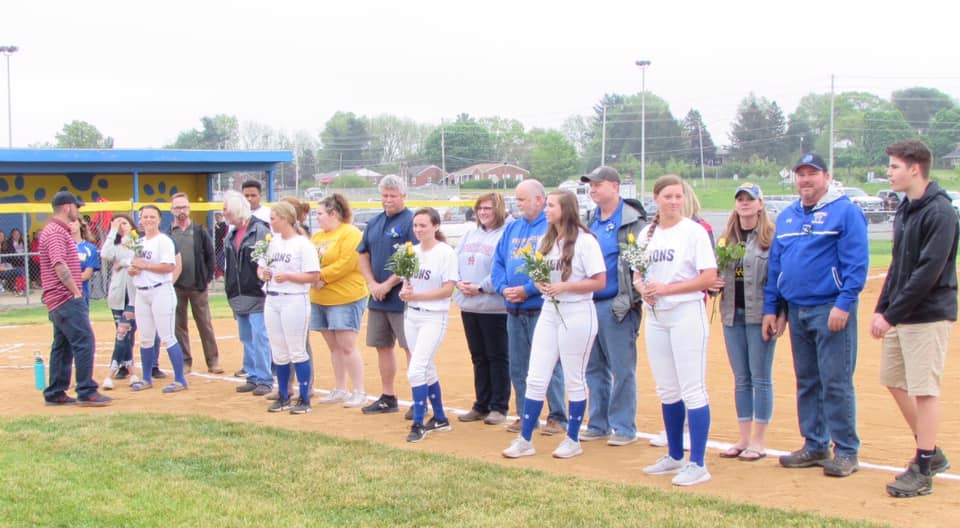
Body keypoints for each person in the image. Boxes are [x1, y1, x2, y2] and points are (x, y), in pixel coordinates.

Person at [762, 153, 868, 478]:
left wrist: (844, 303)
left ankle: (846, 450)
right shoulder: (788, 217)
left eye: (813, 173)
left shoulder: (845, 212)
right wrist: (773, 308)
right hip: (797, 309)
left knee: (835, 382)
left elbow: (856, 263)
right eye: (801, 174)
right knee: (807, 380)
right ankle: (815, 443)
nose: (806, 179)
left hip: (830, 307)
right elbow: (776, 267)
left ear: (827, 176)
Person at [871, 140, 957, 497]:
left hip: (928, 314)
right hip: (901, 314)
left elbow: (927, 274)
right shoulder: (906, 208)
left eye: (894, 166)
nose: (889, 173)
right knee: (894, 380)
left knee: (924, 390)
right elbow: (897, 265)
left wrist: (891, 315)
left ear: (915, 169)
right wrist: (881, 307)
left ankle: (923, 467)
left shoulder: (941, 212)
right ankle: (931, 452)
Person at [502, 191, 605, 459]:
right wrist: (540, 284)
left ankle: (573, 439)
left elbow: (599, 281)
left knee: (574, 377)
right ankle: (525, 439)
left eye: (551, 205)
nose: (546, 209)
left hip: (577, 311)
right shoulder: (546, 240)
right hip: (550, 310)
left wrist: (566, 286)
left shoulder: (585, 241)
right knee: (536, 376)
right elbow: (539, 275)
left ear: (566, 209)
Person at [637, 175, 717, 487]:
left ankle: (698, 462)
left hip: (686, 313)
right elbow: (637, 273)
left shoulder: (693, 232)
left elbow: (708, 277)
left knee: (692, 388)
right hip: (657, 315)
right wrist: (643, 288)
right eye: (667, 196)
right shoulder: (647, 233)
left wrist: (667, 289)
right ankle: (674, 454)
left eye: (678, 196)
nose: (673, 201)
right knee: (667, 389)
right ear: (656, 198)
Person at [713, 183, 784, 461]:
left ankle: (759, 440)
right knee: (741, 378)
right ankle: (743, 437)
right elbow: (715, 275)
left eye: (750, 199)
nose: (744, 203)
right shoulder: (727, 239)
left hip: (760, 315)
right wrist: (714, 283)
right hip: (733, 314)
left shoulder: (770, 237)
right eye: (740, 199)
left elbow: (778, 279)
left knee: (760, 377)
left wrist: (778, 313)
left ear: (760, 204)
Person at [491, 179, 568, 435]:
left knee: (550, 364)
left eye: (522, 199)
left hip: (540, 307)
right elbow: (498, 262)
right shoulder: (513, 228)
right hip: (514, 309)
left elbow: (554, 269)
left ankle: (557, 416)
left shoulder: (550, 228)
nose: (518, 204)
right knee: (518, 366)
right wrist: (503, 288)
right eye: (517, 199)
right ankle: (527, 415)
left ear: (539, 200)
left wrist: (528, 289)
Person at [579, 166, 646, 447]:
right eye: (591, 185)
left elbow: (641, 263)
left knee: (622, 368)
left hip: (617, 304)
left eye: (598, 184)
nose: (593, 189)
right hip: (588, 303)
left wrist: (632, 298)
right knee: (593, 368)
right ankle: (598, 423)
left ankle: (624, 426)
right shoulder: (588, 220)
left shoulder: (632, 222)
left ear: (615, 187)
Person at [38, 191, 112, 406]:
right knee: (84, 341)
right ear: (67, 207)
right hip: (66, 297)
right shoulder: (56, 232)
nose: (78, 211)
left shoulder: (56, 231)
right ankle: (86, 390)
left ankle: (56, 392)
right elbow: (60, 265)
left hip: (58, 298)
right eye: (76, 207)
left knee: (63, 345)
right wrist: (76, 291)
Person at [357, 174, 416, 416]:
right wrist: (372, 284)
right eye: (384, 195)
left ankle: (419, 398)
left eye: (393, 195)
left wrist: (388, 284)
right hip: (377, 297)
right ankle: (388, 396)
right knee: (382, 346)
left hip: (402, 297)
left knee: (410, 348)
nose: (388, 200)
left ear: (404, 196)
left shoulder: (411, 222)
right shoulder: (374, 222)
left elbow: (413, 258)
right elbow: (363, 254)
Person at [400, 208, 459, 442]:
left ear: (435, 226)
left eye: (423, 225)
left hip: (434, 316)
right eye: (416, 225)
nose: (418, 229)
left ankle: (418, 423)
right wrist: (405, 292)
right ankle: (440, 418)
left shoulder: (445, 252)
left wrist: (417, 297)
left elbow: (447, 290)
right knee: (426, 368)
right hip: (412, 316)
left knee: (416, 369)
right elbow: (406, 283)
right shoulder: (411, 252)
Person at [454, 192, 511, 425]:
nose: (483, 212)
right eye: (480, 208)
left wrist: (481, 287)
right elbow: (455, 260)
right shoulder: (470, 232)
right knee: (478, 356)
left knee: (497, 357)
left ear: (498, 209)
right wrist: (459, 282)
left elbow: (503, 268)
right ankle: (481, 404)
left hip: (494, 307)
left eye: (488, 208)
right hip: (469, 306)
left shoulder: (506, 233)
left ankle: (499, 406)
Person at [259, 201, 321, 414]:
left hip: (294, 299)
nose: (271, 222)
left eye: (274, 218)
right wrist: (264, 273)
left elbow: (314, 275)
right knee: (279, 351)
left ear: (285, 219)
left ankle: (304, 398)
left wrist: (289, 276)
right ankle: (284, 395)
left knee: (296, 350)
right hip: (272, 298)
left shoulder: (302, 244)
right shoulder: (273, 242)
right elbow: (262, 268)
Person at [310, 194, 369, 408]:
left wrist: (320, 276)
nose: (317, 217)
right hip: (320, 297)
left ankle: (359, 390)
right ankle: (340, 388)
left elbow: (347, 263)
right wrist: (311, 277)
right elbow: (308, 261)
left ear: (333, 213)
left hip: (345, 297)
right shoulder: (317, 237)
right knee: (334, 346)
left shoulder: (350, 233)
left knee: (347, 345)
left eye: (320, 213)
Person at [128, 204, 190, 394]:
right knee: (146, 337)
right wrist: (133, 269)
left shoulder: (164, 241)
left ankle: (180, 379)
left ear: (159, 219)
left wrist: (144, 266)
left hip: (161, 290)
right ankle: (146, 378)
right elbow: (135, 266)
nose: (148, 220)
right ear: (140, 220)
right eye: (144, 217)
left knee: (167, 336)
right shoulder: (139, 242)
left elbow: (169, 266)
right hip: (142, 292)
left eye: (152, 217)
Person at [222, 190, 274, 397]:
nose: (224, 213)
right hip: (238, 293)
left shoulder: (260, 230)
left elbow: (268, 258)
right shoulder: (232, 234)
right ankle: (252, 375)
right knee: (246, 336)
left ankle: (265, 378)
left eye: (226, 209)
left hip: (256, 292)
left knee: (260, 336)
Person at [169, 193, 223, 374]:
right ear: (171, 210)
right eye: (177, 207)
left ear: (189, 208)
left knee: (205, 324)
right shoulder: (168, 234)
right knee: (179, 326)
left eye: (184, 207)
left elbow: (210, 255)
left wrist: (207, 278)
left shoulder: (200, 231)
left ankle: (213, 361)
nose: (181, 211)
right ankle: (185, 362)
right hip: (176, 287)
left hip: (197, 286)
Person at [99, 214, 140, 389]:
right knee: (122, 334)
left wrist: (122, 262)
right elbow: (105, 254)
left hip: (134, 296)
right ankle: (130, 371)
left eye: (124, 222)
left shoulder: (137, 242)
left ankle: (111, 373)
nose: (122, 226)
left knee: (123, 332)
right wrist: (112, 231)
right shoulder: (115, 246)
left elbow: (139, 259)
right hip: (117, 295)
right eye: (118, 224)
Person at [71, 219, 100, 306]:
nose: (70, 224)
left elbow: (87, 275)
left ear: (80, 223)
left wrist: (67, 279)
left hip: (82, 292)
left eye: (73, 221)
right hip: (62, 294)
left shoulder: (89, 248)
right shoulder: (60, 246)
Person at [214, 211, 227, 279]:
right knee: (216, 259)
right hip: (216, 244)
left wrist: (217, 227)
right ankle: (218, 274)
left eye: (218, 216)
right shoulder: (215, 225)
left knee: (221, 259)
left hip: (221, 245)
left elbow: (222, 234)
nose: (216, 218)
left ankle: (223, 273)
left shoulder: (224, 225)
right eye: (216, 216)